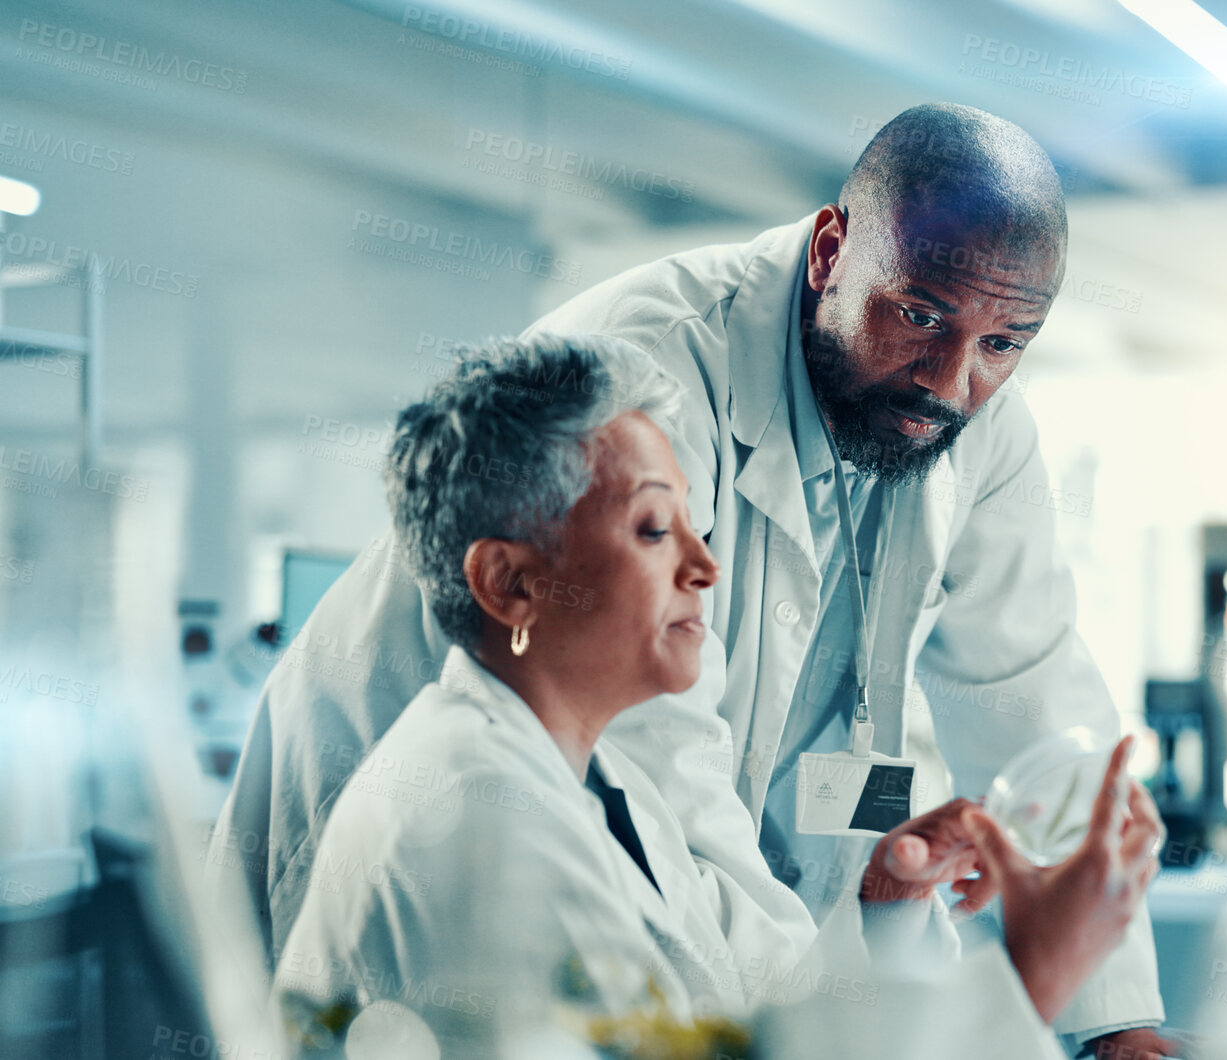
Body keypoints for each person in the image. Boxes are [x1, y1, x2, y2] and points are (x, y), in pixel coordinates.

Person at [211, 101, 1174, 1057]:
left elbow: (1030, 688)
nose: (949, 378)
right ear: (831, 252)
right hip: (450, 860)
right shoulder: (646, 368)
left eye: (1006, 343)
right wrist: (1008, 994)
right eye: (916, 314)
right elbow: (660, 766)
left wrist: (1112, 1017)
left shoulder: (968, 411)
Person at [269, 336, 1162, 1059]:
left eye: (695, 525)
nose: (705, 567)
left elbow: (744, 1033)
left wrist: (882, 909)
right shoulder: (475, 823)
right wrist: (1028, 983)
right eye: (655, 528)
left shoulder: (600, 790)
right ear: (510, 584)